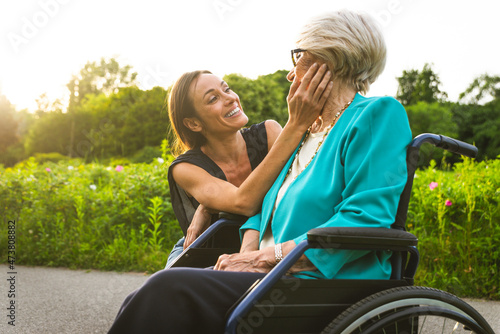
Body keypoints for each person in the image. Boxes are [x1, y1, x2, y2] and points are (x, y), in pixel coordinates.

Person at [108, 9, 412, 334]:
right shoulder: (304, 132)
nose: (290, 72)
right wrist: (248, 256)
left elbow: (364, 219)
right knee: (143, 298)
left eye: (298, 56)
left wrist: (262, 260)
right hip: (270, 275)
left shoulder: (377, 114)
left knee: (167, 290)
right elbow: (263, 207)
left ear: (331, 58)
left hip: (318, 283)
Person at [165, 66, 332, 266]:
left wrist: (208, 206)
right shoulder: (185, 168)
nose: (230, 98)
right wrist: (295, 125)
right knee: (166, 287)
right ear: (194, 124)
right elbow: (244, 203)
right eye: (213, 99)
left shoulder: (269, 133)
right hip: (206, 253)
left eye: (226, 89)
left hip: (267, 246)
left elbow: (296, 188)